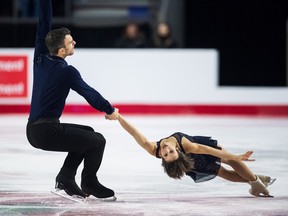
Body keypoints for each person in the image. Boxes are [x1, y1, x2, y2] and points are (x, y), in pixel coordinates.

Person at [26, 0, 119, 200]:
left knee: (88, 134)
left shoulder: (40, 58)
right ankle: (89, 182)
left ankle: (65, 178)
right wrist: (109, 110)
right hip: (46, 131)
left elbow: (44, 22)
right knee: (97, 141)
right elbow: (89, 93)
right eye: (70, 42)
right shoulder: (67, 71)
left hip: (34, 129)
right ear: (61, 51)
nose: (74, 42)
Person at [108, 114, 274, 197]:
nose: (166, 148)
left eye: (166, 153)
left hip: (192, 157)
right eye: (169, 152)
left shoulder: (153, 149)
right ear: (179, 152)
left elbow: (133, 132)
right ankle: (255, 181)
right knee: (225, 166)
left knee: (225, 169)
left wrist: (117, 116)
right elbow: (209, 151)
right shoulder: (186, 145)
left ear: (163, 157)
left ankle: (255, 182)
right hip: (196, 156)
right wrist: (235, 157)